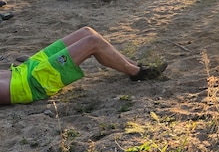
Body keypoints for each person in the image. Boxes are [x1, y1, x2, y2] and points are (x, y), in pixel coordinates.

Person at [0, 27, 166, 105]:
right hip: (34, 83)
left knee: (87, 32)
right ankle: (137, 72)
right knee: (92, 42)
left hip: (26, 69)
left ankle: (133, 65)